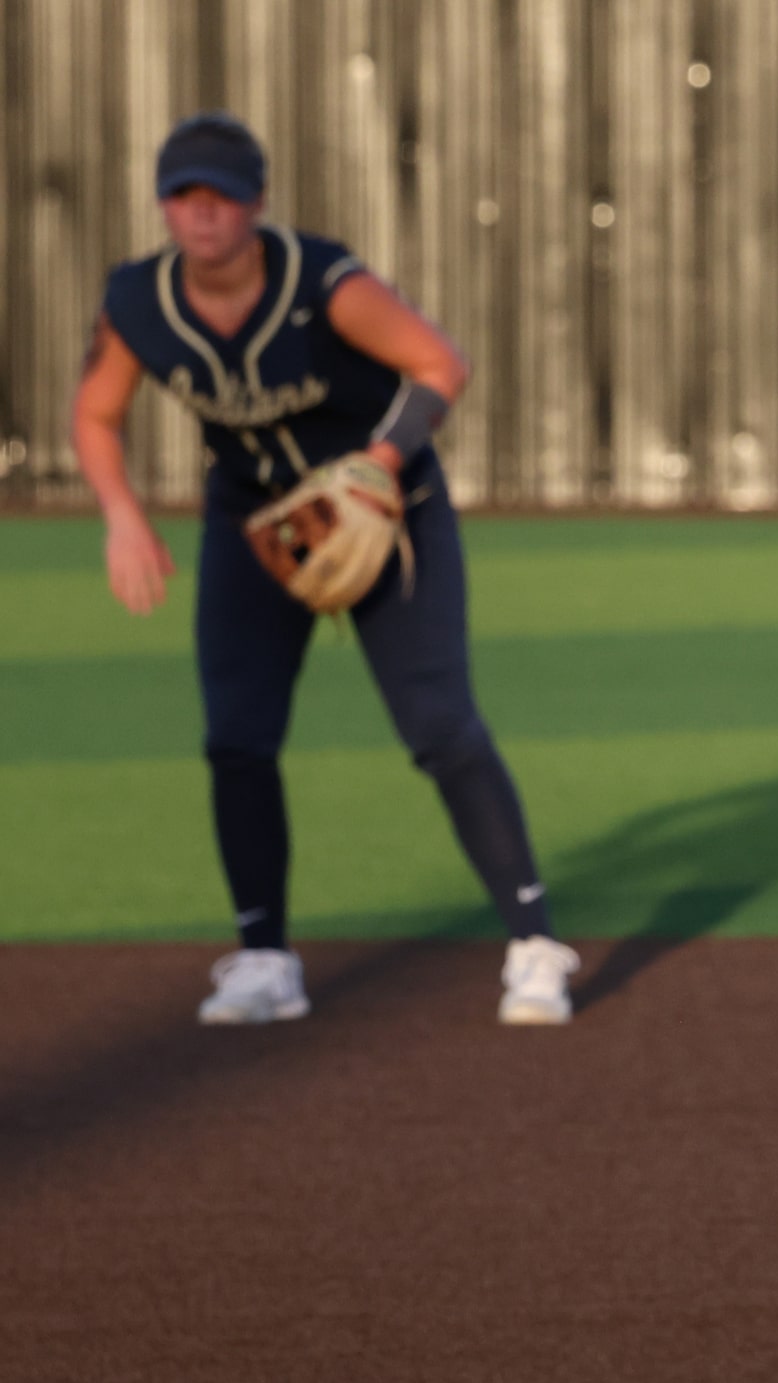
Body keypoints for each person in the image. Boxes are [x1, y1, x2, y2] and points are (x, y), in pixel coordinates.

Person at [71, 111, 578, 1026]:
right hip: (256, 524)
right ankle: (264, 959)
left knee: (439, 725)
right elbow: (96, 411)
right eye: (183, 195)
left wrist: (378, 467)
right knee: (236, 736)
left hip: (389, 511)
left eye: (220, 195)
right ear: (162, 206)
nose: (202, 214)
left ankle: (535, 943)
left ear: (256, 203)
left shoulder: (319, 281)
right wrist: (120, 515)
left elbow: (439, 363)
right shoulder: (139, 300)